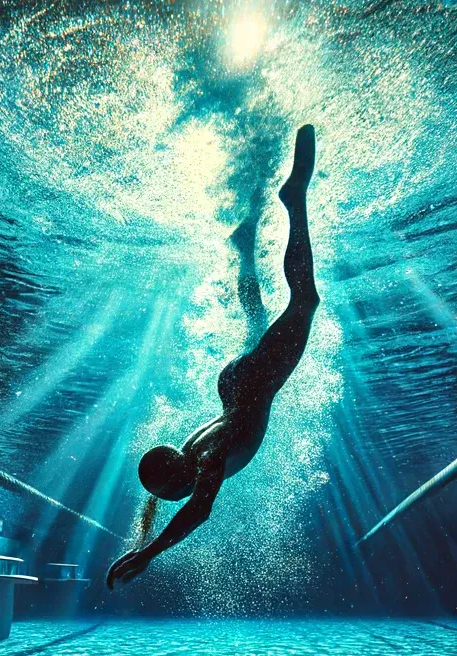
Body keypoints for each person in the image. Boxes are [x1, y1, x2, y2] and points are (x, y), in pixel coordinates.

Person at [107, 124, 319, 589]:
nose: (189, 494)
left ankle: (294, 200)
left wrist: (149, 553)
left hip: (252, 386)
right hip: (234, 386)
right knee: (257, 323)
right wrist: (144, 539)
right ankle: (244, 249)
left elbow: (200, 509)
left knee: (305, 302)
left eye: (179, 492)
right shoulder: (190, 453)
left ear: (181, 479)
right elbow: (175, 499)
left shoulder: (205, 459)